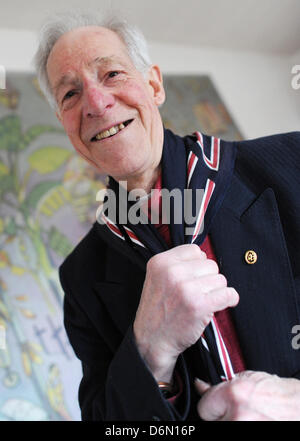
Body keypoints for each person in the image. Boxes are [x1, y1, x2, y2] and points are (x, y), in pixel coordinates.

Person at [34, 11, 300, 421]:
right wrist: (150, 351)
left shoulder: (290, 164)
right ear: (65, 126)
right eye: (70, 94)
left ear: (154, 85)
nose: (96, 102)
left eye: (112, 74)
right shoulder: (81, 278)